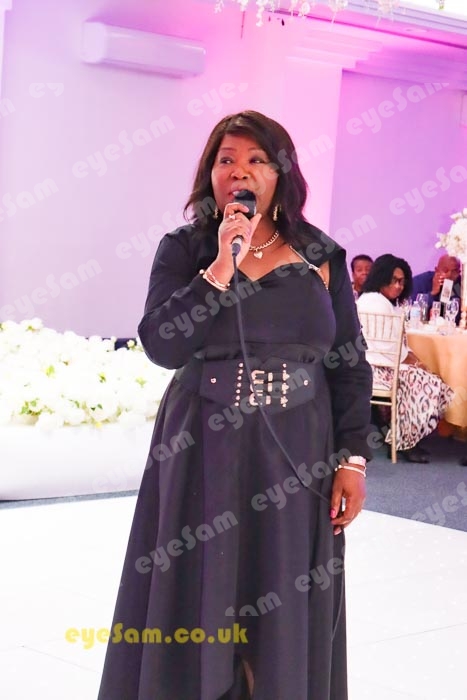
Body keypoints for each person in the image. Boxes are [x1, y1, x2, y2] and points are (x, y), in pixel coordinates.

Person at [97, 110, 373, 700]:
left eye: (255, 160)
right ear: (210, 172)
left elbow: (348, 364)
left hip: (297, 456)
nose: (239, 171)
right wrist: (222, 266)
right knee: (200, 591)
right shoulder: (186, 248)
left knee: (281, 601)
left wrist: (352, 459)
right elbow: (162, 345)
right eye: (226, 160)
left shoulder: (321, 254)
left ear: (281, 173)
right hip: (202, 449)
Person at [357, 254, 454, 464]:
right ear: (382, 277)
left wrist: (418, 364)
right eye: (394, 280)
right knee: (431, 383)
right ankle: (405, 441)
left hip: (371, 365)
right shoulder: (379, 304)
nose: (399, 286)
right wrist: (421, 366)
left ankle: (398, 434)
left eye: (402, 282)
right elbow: (394, 352)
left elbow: (397, 349)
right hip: (379, 368)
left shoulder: (371, 299)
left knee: (426, 377)